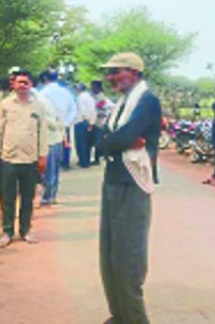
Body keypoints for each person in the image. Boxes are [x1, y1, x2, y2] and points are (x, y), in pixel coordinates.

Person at [95, 52, 162, 324]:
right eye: (108, 73)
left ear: (134, 72)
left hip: (133, 184)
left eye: (116, 71)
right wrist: (115, 141)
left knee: (128, 261)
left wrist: (113, 141)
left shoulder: (147, 102)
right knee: (109, 256)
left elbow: (115, 138)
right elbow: (100, 143)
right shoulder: (121, 104)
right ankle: (119, 316)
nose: (111, 77)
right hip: (113, 180)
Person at [0, 70, 49, 247]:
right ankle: (7, 232)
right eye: (19, 82)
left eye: (26, 82)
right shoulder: (6, 104)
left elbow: (42, 132)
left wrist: (42, 156)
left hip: (30, 159)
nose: (22, 85)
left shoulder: (38, 106)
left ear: (31, 85)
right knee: (7, 198)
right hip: (9, 158)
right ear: (13, 85)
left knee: (27, 197)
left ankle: (25, 230)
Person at [38, 70, 76, 205]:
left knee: (48, 167)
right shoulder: (67, 93)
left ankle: (48, 195)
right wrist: (64, 125)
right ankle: (52, 194)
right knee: (56, 165)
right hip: (61, 130)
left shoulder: (41, 95)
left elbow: (43, 117)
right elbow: (73, 110)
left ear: (44, 79)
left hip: (48, 133)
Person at [74, 83, 98, 168]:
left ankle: (83, 161)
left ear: (79, 89)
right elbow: (93, 111)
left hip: (81, 122)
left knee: (81, 143)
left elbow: (82, 111)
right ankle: (86, 160)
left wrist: (78, 119)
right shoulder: (90, 97)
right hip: (89, 122)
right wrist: (92, 123)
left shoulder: (80, 98)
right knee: (88, 143)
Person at [91, 80, 114, 165]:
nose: (91, 89)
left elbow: (100, 108)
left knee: (99, 141)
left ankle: (98, 158)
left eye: (93, 87)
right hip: (97, 121)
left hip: (100, 122)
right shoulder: (96, 97)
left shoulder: (101, 98)